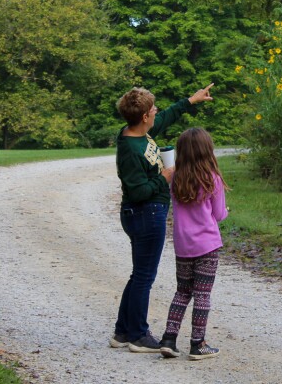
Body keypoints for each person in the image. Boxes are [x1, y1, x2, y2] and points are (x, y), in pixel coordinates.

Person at [110, 84, 214, 353]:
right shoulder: (131, 148)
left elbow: (167, 116)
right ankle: (138, 335)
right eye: (152, 109)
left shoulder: (141, 134)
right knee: (145, 276)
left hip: (148, 214)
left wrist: (191, 100)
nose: (157, 111)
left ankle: (123, 331)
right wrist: (164, 178)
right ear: (144, 117)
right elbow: (137, 191)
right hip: (144, 214)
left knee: (139, 275)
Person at [157, 127, 228, 360]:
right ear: (207, 150)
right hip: (207, 246)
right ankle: (198, 343)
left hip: (183, 246)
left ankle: (169, 339)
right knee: (202, 294)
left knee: (183, 291)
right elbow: (217, 214)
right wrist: (225, 211)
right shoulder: (212, 179)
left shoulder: (175, 178)